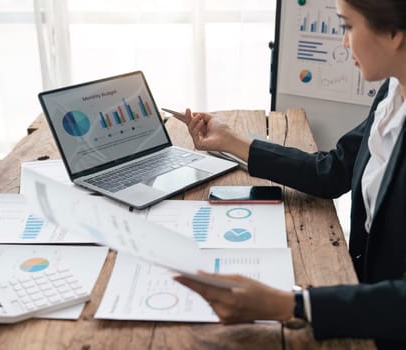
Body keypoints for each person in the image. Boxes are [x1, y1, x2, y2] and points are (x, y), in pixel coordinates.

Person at [171, 0, 406, 348]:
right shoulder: (393, 93)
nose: (343, 42)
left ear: (394, 34)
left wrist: (291, 304)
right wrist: (233, 140)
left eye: (348, 26)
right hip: (364, 305)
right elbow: (334, 170)